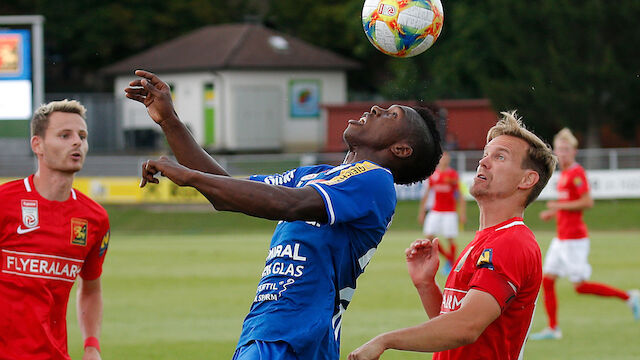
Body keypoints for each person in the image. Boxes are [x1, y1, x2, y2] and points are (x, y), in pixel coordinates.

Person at [124, 70, 443, 360]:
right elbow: (228, 191)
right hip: (270, 325)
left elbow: (287, 204)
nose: (376, 110)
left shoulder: (375, 180)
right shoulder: (317, 174)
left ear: (401, 150)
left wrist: (189, 177)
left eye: (391, 115)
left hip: (295, 331)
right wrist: (170, 121)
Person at [348, 111, 557, 360]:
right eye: (485, 155)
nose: (483, 162)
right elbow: (451, 328)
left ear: (527, 179)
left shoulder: (512, 242)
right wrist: (426, 285)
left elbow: (466, 327)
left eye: (500, 157)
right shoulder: (486, 240)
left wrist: (385, 340)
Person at [0, 100, 110, 360]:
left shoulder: (94, 218)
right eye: (65, 135)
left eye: (82, 136)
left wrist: (91, 345)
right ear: (37, 145)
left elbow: (91, 288)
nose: (77, 143)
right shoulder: (4, 202)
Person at [530, 128, 640, 340]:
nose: (563, 153)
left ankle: (629, 297)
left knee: (580, 287)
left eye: (567, 149)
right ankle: (553, 329)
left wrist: (558, 206)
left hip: (574, 240)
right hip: (561, 238)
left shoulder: (577, 173)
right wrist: (554, 212)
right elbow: (568, 204)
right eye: (560, 149)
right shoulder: (564, 175)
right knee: (548, 280)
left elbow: (587, 202)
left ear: (574, 151)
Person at [417, 151, 466, 275]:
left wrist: (462, 213)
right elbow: (426, 195)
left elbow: (460, 195)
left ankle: (451, 265)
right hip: (435, 211)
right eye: (442, 158)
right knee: (429, 237)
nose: (444, 160)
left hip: (449, 212)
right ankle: (450, 260)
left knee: (450, 238)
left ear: (448, 160)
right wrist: (422, 212)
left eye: (446, 158)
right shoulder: (433, 175)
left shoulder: (452, 175)